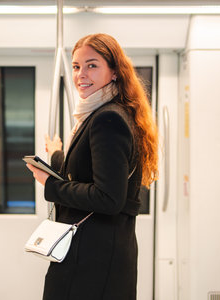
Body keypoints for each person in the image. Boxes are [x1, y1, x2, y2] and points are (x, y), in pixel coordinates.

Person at [26, 33, 158, 300]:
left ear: (113, 72)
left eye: (92, 65)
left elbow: (108, 197)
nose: (80, 74)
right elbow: (88, 172)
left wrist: (50, 184)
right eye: (76, 66)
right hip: (98, 253)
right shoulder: (104, 113)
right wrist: (57, 157)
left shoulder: (107, 119)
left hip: (94, 260)